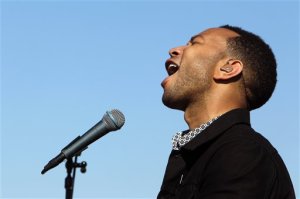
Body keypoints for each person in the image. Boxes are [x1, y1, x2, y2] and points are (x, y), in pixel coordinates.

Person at [157, 25, 295, 199]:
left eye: (194, 43)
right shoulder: (191, 155)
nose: (174, 50)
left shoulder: (242, 153)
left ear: (228, 68)